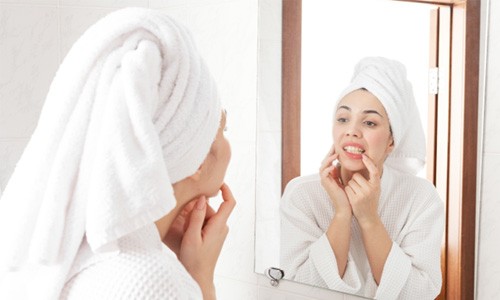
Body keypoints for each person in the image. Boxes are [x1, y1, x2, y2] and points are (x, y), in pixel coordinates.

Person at [0, 8, 235, 300]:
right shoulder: (155, 281)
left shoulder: (67, 251)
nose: (227, 143)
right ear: (197, 157)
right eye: (223, 128)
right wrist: (201, 280)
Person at [280, 57, 444, 299]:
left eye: (369, 122)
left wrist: (368, 218)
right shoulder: (302, 194)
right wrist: (342, 213)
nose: (352, 131)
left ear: (391, 140)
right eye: (343, 118)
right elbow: (296, 288)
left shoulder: (420, 197)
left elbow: (419, 292)